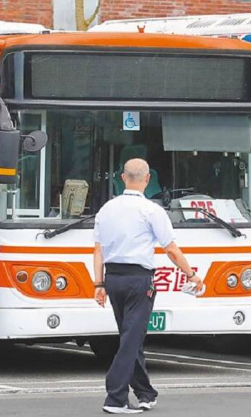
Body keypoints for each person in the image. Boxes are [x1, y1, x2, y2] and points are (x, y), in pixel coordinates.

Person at [93, 158, 203, 414]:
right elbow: (171, 249)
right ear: (147, 179)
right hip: (138, 279)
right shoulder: (151, 210)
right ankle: (115, 397)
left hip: (112, 277)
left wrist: (98, 283)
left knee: (131, 336)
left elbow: (98, 250)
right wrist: (191, 274)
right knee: (132, 339)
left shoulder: (106, 209)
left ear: (122, 178)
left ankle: (145, 393)